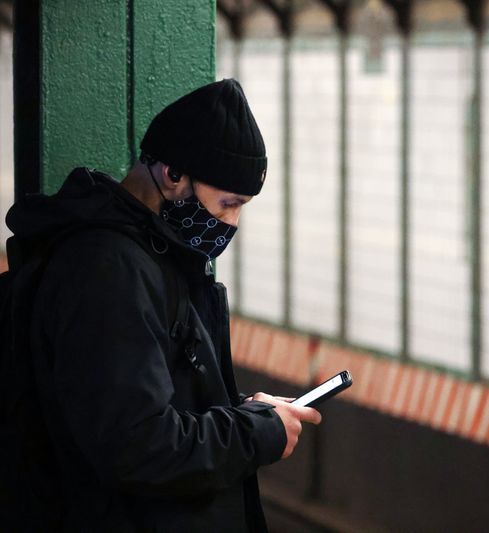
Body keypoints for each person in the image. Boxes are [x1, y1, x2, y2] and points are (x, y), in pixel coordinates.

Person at [4, 79, 320, 531]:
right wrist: (256, 434)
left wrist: (247, 410)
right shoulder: (107, 270)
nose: (231, 223)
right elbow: (138, 445)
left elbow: (158, 398)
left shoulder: (152, 256)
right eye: (227, 203)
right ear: (173, 174)